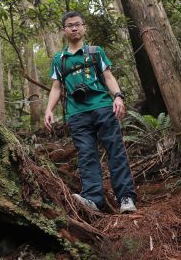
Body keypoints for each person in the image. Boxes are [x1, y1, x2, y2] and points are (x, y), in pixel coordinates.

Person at [44, 11, 137, 213]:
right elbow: (56, 87)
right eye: (70, 25)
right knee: (86, 156)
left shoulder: (96, 52)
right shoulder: (59, 59)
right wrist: (48, 110)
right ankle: (93, 200)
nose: (74, 28)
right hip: (77, 114)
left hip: (102, 107)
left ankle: (126, 198)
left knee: (116, 151)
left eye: (77, 24)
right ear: (64, 30)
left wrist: (119, 96)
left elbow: (108, 76)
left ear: (84, 27)